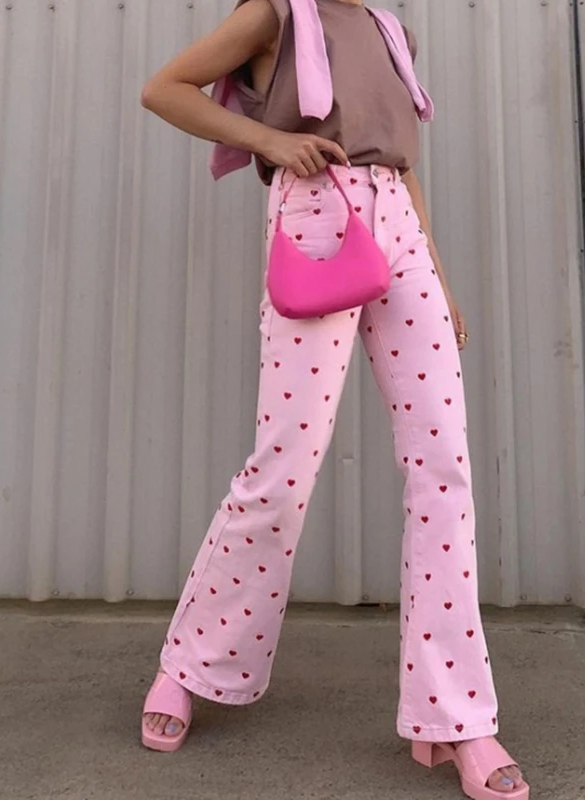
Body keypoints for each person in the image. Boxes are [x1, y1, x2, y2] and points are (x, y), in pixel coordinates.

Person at [139, 1, 528, 797]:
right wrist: (272, 140)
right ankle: (190, 665)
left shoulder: (389, 28)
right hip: (315, 216)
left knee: (444, 472)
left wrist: (437, 274)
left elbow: (402, 168)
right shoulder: (275, 13)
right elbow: (165, 89)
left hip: (401, 236)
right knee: (282, 471)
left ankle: (459, 719)